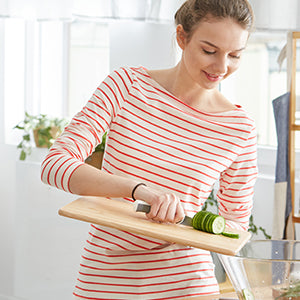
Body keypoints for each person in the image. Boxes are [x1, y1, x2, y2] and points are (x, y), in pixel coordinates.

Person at [41, 0, 258, 299]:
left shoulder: (240, 128)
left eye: (234, 55)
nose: (221, 67)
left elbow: (234, 225)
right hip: (105, 275)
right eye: (209, 50)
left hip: (187, 281)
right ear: (182, 37)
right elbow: (55, 165)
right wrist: (138, 190)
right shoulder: (126, 86)